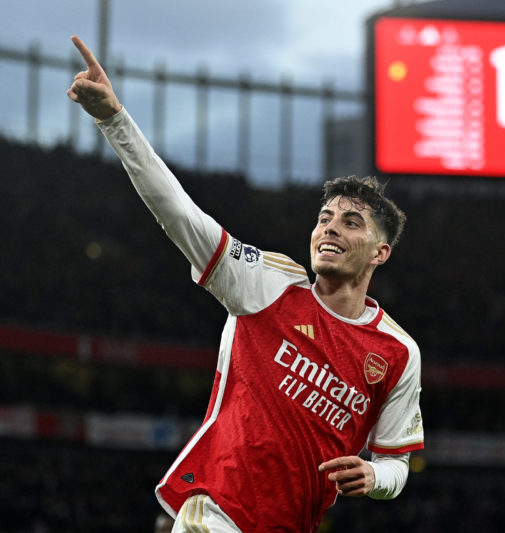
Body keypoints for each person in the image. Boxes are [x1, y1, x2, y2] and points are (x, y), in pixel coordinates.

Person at [67, 35, 424, 533]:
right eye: (325, 217)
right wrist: (114, 120)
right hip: (215, 507)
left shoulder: (397, 352)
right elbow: (181, 215)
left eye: (351, 222)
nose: (330, 229)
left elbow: (397, 464)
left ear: (380, 253)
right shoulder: (269, 284)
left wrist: (373, 473)